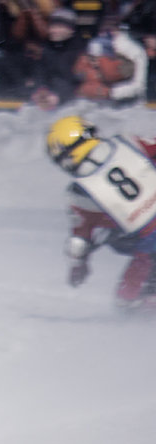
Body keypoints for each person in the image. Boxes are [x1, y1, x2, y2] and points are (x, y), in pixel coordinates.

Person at [45, 115, 156, 310]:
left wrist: (78, 264)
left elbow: (79, 240)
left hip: (150, 248)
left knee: (127, 302)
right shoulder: (126, 142)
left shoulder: (80, 193)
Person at [30, 6, 85, 108]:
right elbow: (40, 74)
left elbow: (78, 82)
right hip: (48, 99)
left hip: (71, 101)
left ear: (71, 30)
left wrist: (59, 97)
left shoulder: (80, 51)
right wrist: (40, 90)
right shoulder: (46, 48)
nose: (54, 30)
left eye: (59, 27)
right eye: (52, 27)